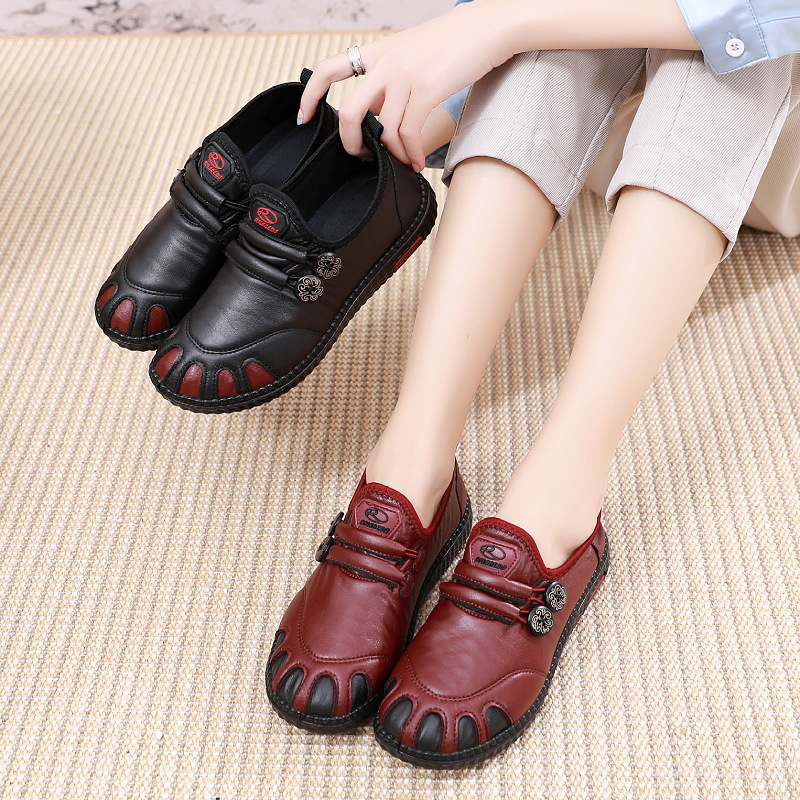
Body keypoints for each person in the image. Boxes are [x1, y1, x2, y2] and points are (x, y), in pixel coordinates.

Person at [266, 0, 800, 768]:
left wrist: (496, 26)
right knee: (548, 35)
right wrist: (427, 94)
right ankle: (414, 458)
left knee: (730, 58)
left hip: (768, 118)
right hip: (625, 98)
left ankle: (560, 496)